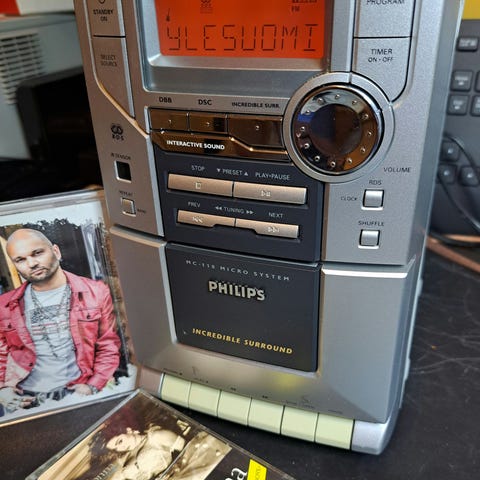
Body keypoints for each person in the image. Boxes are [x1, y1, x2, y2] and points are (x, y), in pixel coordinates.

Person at [0, 228, 121, 414]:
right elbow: (1, 353)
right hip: (24, 398)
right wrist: (3, 390)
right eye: (20, 260)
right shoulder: (4, 305)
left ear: (56, 251)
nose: (32, 264)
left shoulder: (96, 292)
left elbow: (108, 346)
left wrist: (93, 385)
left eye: (37, 253)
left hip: (78, 390)